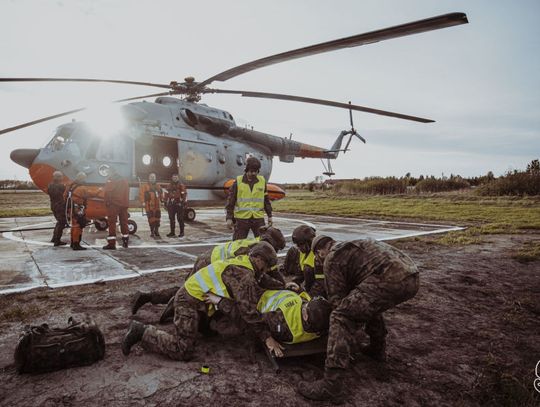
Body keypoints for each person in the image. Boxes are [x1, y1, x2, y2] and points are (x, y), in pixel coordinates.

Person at [297, 236, 420, 402]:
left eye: (318, 257)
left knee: (340, 316)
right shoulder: (349, 245)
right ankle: (377, 349)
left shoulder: (332, 258)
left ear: (320, 251)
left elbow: (337, 301)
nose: (319, 260)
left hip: (389, 279)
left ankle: (332, 385)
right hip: (412, 276)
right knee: (367, 303)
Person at [121, 242, 286, 360]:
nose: (266, 270)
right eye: (266, 265)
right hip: (189, 301)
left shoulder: (244, 262)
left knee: (209, 332)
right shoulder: (244, 275)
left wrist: (284, 286)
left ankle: (200, 325)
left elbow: (262, 279)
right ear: (258, 259)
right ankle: (141, 332)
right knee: (183, 349)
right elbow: (248, 313)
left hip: (199, 300)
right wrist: (267, 337)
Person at [130, 226, 288, 322]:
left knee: (191, 288)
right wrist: (284, 286)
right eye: (277, 249)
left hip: (209, 257)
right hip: (210, 263)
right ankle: (169, 309)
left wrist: (283, 285)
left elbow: (270, 274)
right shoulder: (259, 251)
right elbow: (264, 276)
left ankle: (150, 297)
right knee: (193, 291)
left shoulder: (256, 243)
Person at [257, 290, 332, 345]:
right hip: (277, 296)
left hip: (263, 300)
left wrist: (267, 338)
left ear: (305, 315)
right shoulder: (322, 327)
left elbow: (257, 320)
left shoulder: (283, 325)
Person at [225, 157, 273, 240]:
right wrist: (229, 218)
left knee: (263, 242)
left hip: (258, 218)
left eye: (256, 171)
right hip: (242, 219)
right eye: (251, 171)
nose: (254, 173)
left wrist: (270, 216)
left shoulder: (262, 181)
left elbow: (266, 201)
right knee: (237, 245)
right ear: (246, 170)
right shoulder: (238, 181)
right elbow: (231, 201)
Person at [283, 225, 326, 298]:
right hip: (310, 289)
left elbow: (320, 286)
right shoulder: (303, 253)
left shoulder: (320, 257)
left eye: (300, 244)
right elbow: (301, 273)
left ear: (309, 243)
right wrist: (294, 282)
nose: (298, 247)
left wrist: (302, 291)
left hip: (322, 293)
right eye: (297, 244)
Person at [102, 168, 130, 250]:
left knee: (112, 223)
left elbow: (107, 192)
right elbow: (127, 193)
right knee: (124, 223)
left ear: (112, 172)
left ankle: (111, 244)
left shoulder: (111, 180)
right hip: (124, 205)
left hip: (114, 204)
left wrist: (107, 203)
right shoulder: (125, 181)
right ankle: (125, 241)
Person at [65, 172, 91, 251]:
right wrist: (99, 191)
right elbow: (88, 195)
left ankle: (73, 242)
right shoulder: (82, 188)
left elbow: (65, 195)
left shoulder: (71, 186)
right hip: (78, 208)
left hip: (71, 208)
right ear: (82, 178)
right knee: (78, 226)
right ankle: (76, 244)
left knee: (74, 225)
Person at [47, 170, 67, 247]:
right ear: (58, 177)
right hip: (59, 206)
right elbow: (64, 192)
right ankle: (57, 240)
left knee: (59, 222)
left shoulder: (50, 185)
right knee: (62, 222)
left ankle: (54, 238)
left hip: (53, 205)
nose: (62, 178)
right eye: (61, 176)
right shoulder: (61, 186)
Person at [139, 173, 162, 238]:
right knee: (151, 218)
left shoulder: (158, 186)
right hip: (149, 205)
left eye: (153, 177)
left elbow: (161, 194)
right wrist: (142, 202)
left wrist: (162, 201)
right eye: (151, 177)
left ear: (155, 178)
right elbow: (141, 194)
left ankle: (156, 231)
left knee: (157, 218)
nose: (152, 178)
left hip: (157, 205)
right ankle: (152, 231)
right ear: (149, 178)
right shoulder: (145, 186)